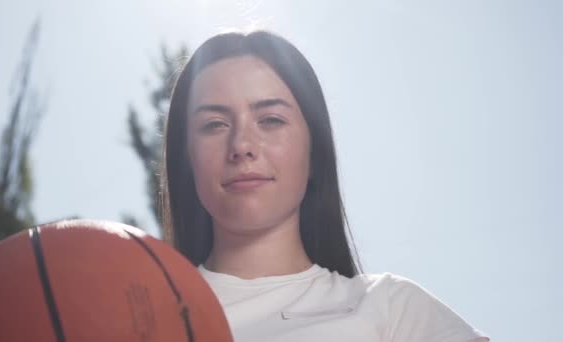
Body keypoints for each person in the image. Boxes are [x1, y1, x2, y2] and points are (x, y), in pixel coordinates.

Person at [159, 30, 490, 342]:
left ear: (314, 149)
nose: (242, 145)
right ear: (186, 159)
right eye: (214, 125)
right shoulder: (141, 313)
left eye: (271, 120)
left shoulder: (393, 309)